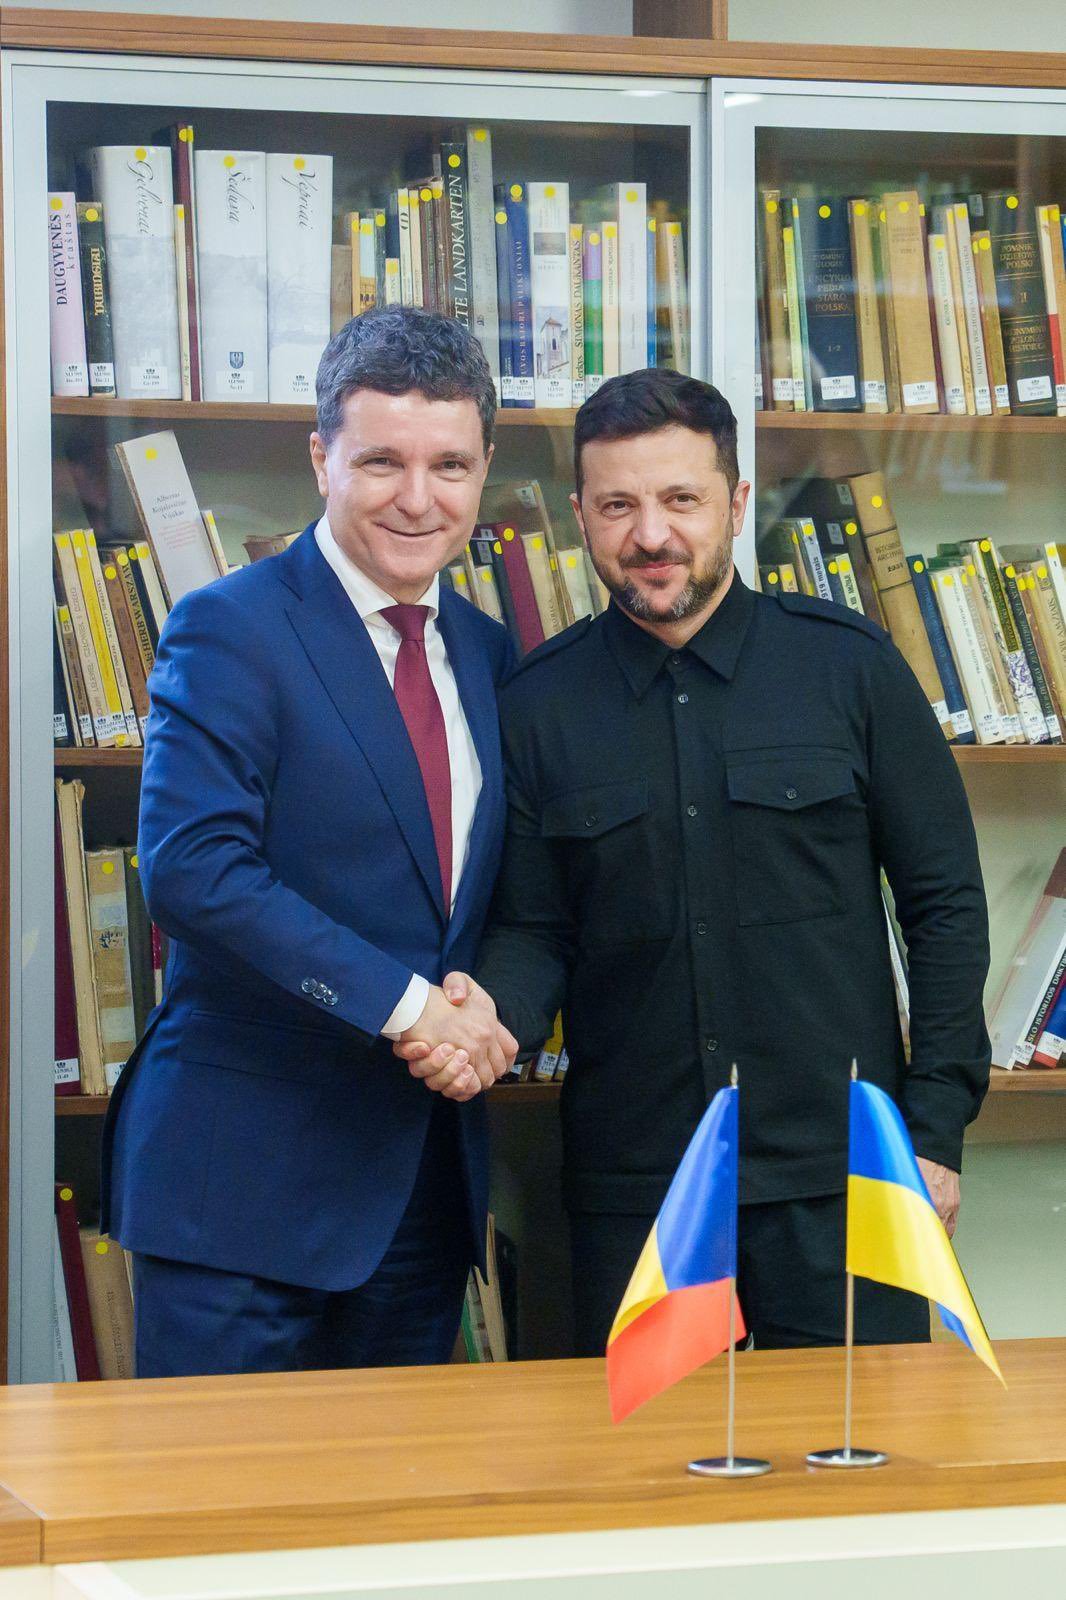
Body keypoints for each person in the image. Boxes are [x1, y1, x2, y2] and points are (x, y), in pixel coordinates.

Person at [400, 368, 992, 1357]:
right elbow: (535, 929)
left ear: (736, 502)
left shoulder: (851, 669)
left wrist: (931, 1133)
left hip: (842, 1179)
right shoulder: (536, 708)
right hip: (639, 1193)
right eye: (618, 506)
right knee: (649, 1452)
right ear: (580, 516)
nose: (652, 535)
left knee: (855, 1449)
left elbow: (944, 908)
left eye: (681, 499)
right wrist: (484, 1020)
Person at [102, 307, 518, 1377]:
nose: (418, 498)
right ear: (321, 457)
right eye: (381, 461)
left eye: (449, 465)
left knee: (392, 1490)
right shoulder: (230, 627)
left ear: (483, 470)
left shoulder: (487, 653)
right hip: (242, 1197)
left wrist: (485, 1011)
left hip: (418, 1188)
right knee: (218, 1487)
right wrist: (413, 1007)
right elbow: (194, 871)